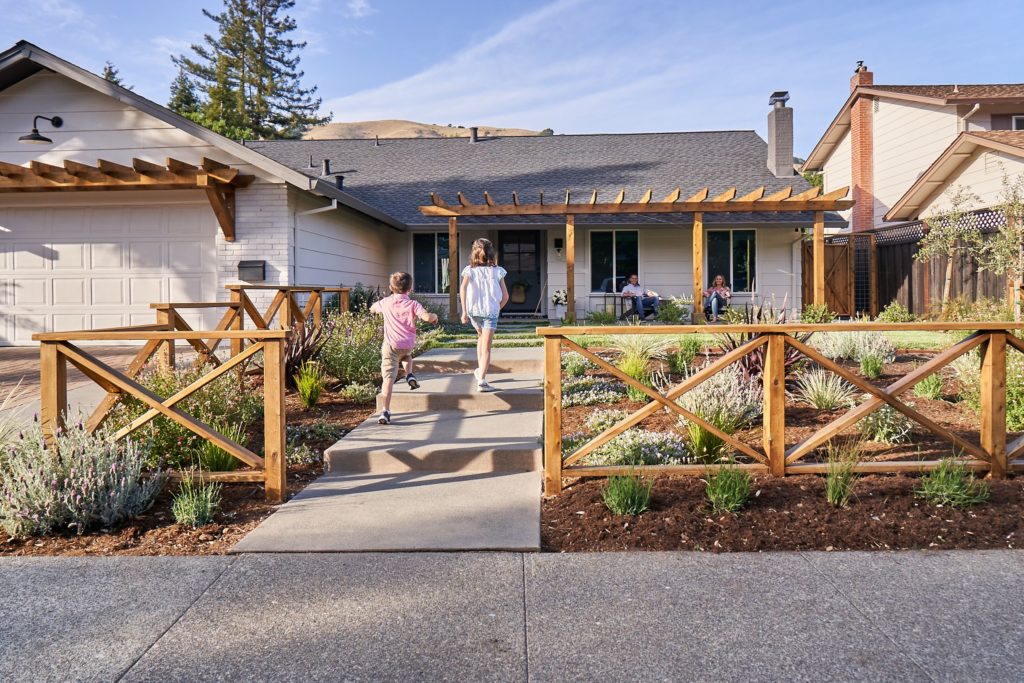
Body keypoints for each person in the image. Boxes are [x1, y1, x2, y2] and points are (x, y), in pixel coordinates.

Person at [370, 271, 438, 424]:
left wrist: (375, 310)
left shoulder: (385, 302)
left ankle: (385, 411)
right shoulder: (413, 304)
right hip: (407, 345)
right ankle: (409, 375)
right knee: (406, 357)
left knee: (388, 379)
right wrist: (434, 317)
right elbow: (427, 317)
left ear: (390, 287)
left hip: (391, 346)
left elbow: (373, 308)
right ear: (410, 289)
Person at [460, 238, 509, 392]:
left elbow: (462, 289)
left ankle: (480, 369)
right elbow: (506, 296)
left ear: (474, 253)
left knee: (481, 337)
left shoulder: (469, 270)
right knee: (487, 348)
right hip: (490, 313)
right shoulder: (498, 271)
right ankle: (481, 380)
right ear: (491, 253)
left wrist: (464, 311)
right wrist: (496, 309)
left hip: (474, 312)